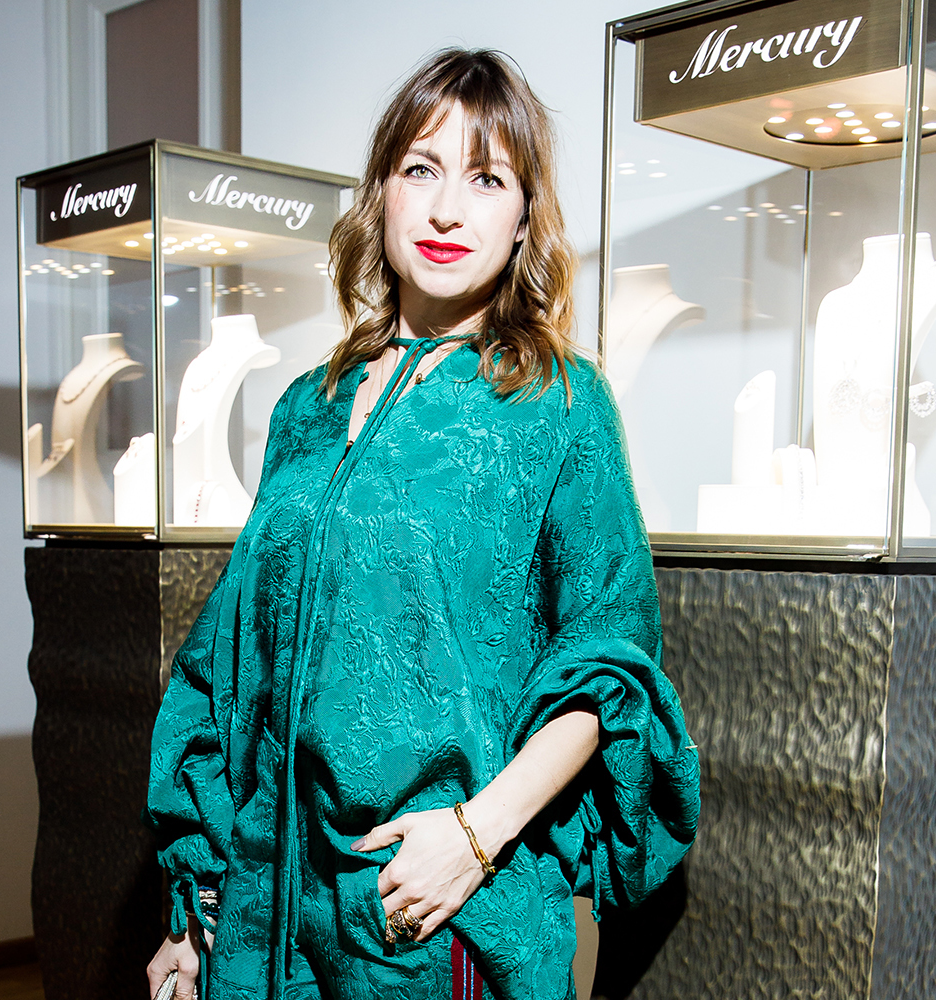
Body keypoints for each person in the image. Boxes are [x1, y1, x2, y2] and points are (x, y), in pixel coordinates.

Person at [144, 48, 700, 1000]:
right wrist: (192, 914)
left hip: (428, 911)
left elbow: (609, 666)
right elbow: (234, 668)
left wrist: (475, 838)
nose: (447, 210)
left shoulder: (559, 403)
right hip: (267, 915)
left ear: (523, 219)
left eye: (487, 179)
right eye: (420, 169)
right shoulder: (307, 405)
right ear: (381, 195)